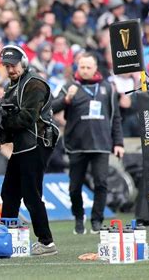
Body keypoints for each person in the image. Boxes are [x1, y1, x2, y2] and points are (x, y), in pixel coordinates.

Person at [52, 52, 124, 235]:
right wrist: (66, 99)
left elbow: (115, 117)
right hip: (76, 144)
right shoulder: (69, 86)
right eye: (81, 67)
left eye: (88, 67)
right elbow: (51, 108)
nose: (84, 71)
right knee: (74, 187)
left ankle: (97, 219)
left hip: (101, 143)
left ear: (95, 68)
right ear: (77, 68)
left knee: (101, 183)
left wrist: (119, 142)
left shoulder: (107, 88)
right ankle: (78, 216)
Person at [0, 44, 58, 256]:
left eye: (13, 65)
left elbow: (26, 118)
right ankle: (6, 236)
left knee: (31, 194)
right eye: (6, 66)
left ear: (23, 63)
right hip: (23, 145)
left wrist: (1, 122)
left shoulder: (34, 84)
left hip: (37, 143)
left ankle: (47, 242)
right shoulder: (12, 85)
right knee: (9, 192)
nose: (10, 69)